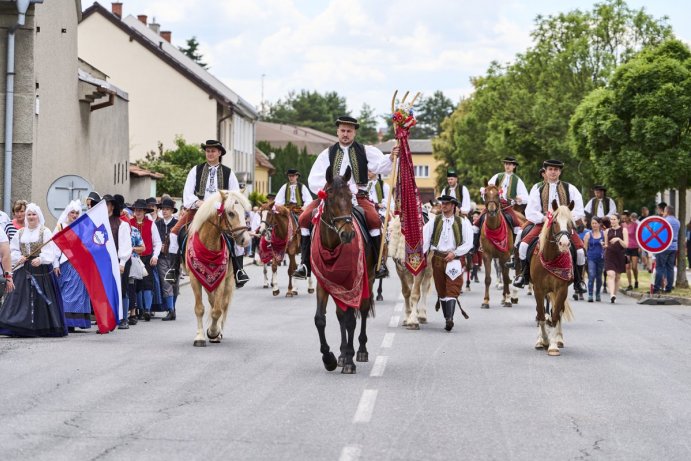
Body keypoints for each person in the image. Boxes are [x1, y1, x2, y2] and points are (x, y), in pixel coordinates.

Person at [294, 116, 397, 280]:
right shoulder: (327, 154)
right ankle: (305, 263)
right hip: (332, 197)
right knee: (304, 218)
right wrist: (328, 190)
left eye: (349, 131)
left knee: (374, 220)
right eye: (342, 130)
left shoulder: (365, 151)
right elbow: (313, 178)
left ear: (354, 132)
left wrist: (391, 157)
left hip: (358, 196)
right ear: (337, 131)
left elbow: (381, 166)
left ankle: (378, 264)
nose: (345, 134)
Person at [170, 139, 248, 287]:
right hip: (197, 210)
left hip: (220, 212)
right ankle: (174, 269)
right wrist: (198, 203)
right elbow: (187, 193)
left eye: (213, 151)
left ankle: (239, 270)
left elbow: (235, 195)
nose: (210, 153)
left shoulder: (228, 173)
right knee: (174, 232)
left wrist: (225, 206)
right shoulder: (196, 170)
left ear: (219, 153)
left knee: (236, 234)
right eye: (208, 151)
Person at [512, 159, 587, 293]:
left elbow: (579, 210)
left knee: (580, 252)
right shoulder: (538, 188)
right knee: (523, 246)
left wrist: (566, 217)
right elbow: (530, 210)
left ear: (560, 172)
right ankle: (523, 275)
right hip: (543, 224)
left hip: (564, 226)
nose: (553, 172)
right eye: (550, 170)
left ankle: (579, 281)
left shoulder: (571, 188)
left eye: (556, 170)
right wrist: (543, 217)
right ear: (545, 172)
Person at [0, 203, 66, 337]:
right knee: (19, 297)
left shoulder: (45, 231)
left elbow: (50, 251)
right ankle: (20, 326)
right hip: (23, 268)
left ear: (38, 216)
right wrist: (20, 257)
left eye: (33, 214)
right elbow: (13, 249)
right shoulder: (20, 232)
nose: (31, 217)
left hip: (40, 270)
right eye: (29, 214)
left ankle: (40, 326)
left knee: (39, 298)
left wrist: (41, 259)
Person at [422, 195, 473, 331]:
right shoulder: (434, 221)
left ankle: (449, 319)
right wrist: (421, 255)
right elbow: (425, 239)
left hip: (454, 260)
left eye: (446, 203)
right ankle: (447, 318)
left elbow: (468, 243)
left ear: (453, 206)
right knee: (441, 289)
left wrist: (455, 253)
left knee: (453, 287)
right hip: (437, 258)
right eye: (442, 203)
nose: (443, 205)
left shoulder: (463, 222)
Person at [53, 200, 92, 331]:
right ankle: (64, 320)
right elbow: (55, 247)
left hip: (78, 264)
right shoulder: (60, 227)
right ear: (67, 213)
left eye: (76, 213)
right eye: (72, 213)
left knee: (75, 293)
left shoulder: (81, 227)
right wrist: (55, 264)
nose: (74, 215)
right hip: (63, 263)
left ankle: (71, 321)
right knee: (63, 292)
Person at [129, 199, 162, 320]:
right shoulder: (129, 223)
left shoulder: (151, 224)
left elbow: (158, 242)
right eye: (136, 210)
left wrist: (155, 256)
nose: (138, 212)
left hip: (147, 257)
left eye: (140, 210)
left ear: (144, 211)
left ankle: (147, 309)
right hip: (133, 258)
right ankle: (139, 309)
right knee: (136, 284)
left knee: (147, 283)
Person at [155, 198, 179, 321]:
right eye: (163, 209)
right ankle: (170, 309)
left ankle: (172, 307)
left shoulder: (177, 223)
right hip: (162, 258)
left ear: (172, 211)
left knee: (175, 284)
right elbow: (154, 240)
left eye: (167, 209)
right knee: (166, 283)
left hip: (175, 258)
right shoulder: (157, 224)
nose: (164, 211)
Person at [653, 206, 680, 294]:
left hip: (664, 246)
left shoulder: (665, 221)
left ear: (667, 211)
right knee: (670, 268)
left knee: (660, 267)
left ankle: (656, 288)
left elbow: (657, 232)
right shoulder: (677, 221)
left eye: (664, 211)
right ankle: (669, 288)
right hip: (674, 246)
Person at [603, 213, 628, 303]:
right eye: (611, 219)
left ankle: (614, 295)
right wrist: (604, 245)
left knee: (617, 277)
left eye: (614, 219)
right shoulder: (607, 231)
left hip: (620, 255)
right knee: (610, 274)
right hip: (609, 254)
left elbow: (626, 245)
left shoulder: (623, 230)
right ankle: (611, 295)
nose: (612, 221)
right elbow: (606, 244)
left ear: (618, 220)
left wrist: (618, 239)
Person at [583, 217, 605, 302]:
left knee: (599, 277)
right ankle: (590, 295)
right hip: (591, 258)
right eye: (593, 223)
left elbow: (606, 246)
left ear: (599, 224)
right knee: (591, 275)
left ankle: (598, 293)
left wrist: (604, 245)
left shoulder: (604, 234)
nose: (594, 225)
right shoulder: (588, 235)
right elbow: (585, 248)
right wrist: (585, 258)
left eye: (596, 223)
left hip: (601, 258)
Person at [621, 211, 640, 290]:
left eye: (625, 218)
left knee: (634, 267)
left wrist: (640, 247)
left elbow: (638, 235)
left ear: (629, 217)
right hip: (626, 247)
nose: (624, 219)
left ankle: (636, 280)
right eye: (623, 218)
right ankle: (630, 284)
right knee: (627, 266)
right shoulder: (622, 225)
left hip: (635, 247)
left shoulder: (635, 225)